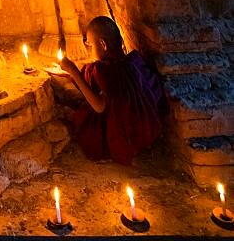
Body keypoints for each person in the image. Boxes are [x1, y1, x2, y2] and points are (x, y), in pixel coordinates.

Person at [58, 15, 165, 164]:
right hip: (146, 129)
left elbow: (99, 107)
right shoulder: (134, 61)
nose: (89, 49)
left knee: (85, 117)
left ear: (102, 44)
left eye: (89, 44)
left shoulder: (104, 70)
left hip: (124, 137)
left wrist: (74, 72)